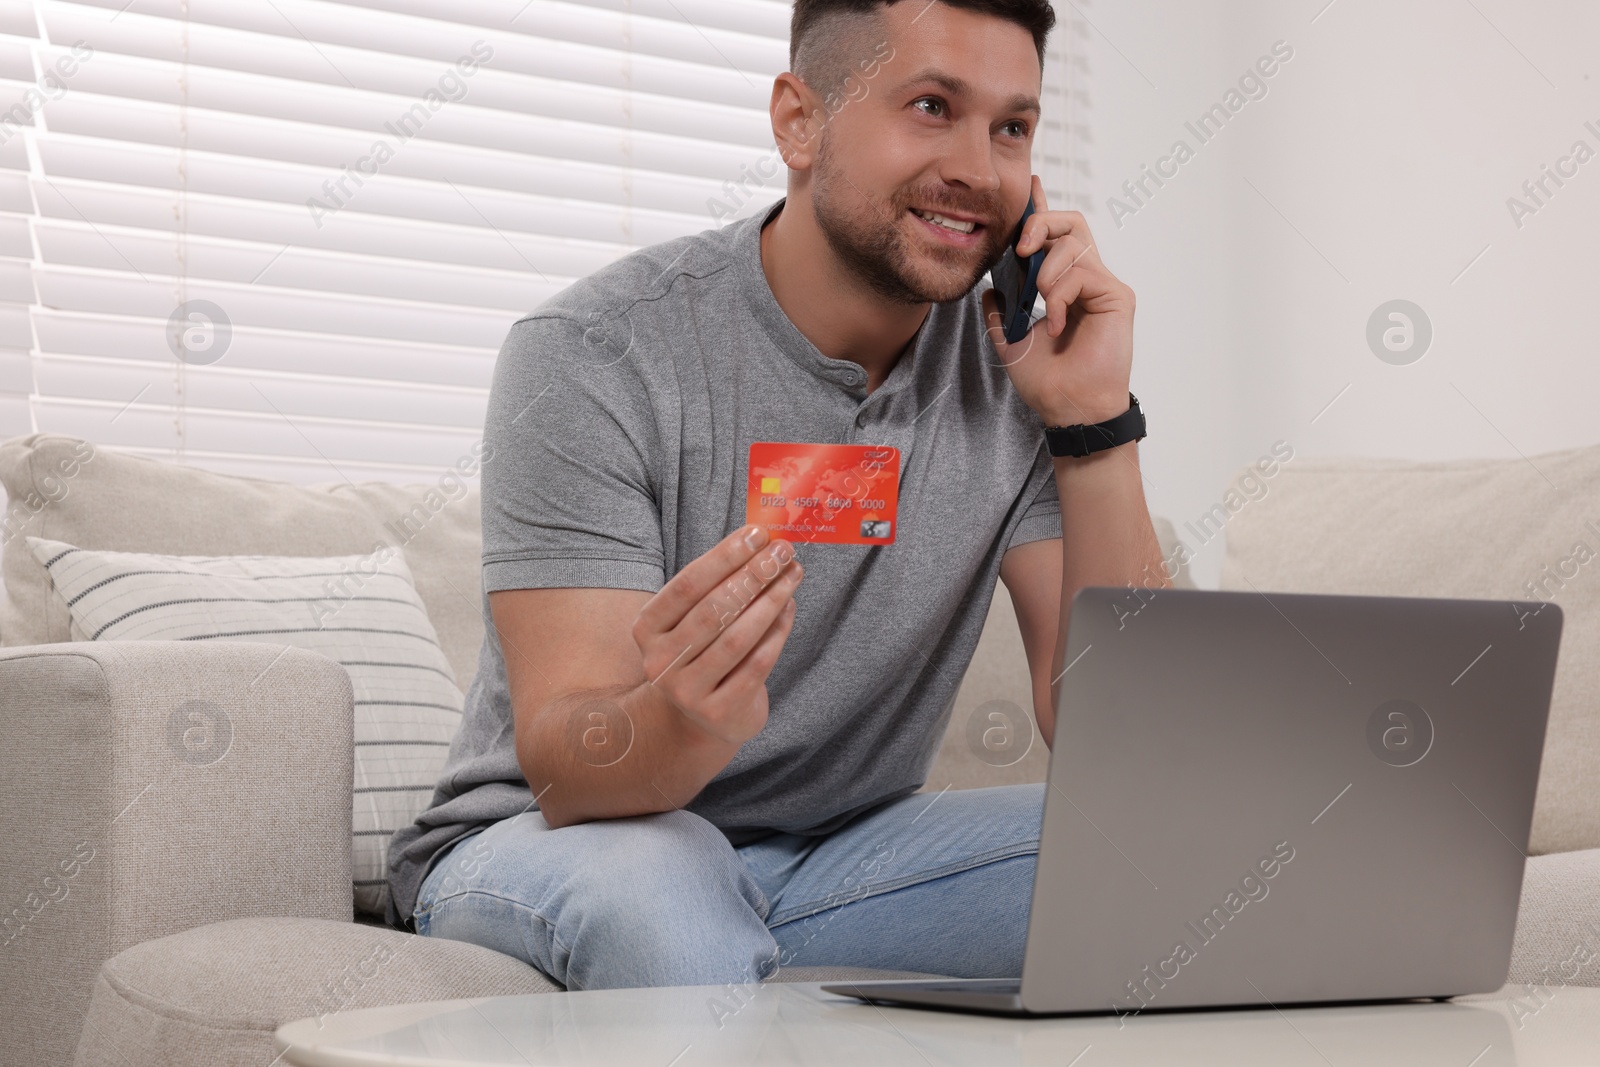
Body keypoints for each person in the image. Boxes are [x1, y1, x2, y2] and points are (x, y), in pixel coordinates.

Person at [385, 0, 1171, 990]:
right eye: (932, 106)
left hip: (838, 856)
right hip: (564, 838)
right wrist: (684, 719)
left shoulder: (1015, 368)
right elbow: (562, 758)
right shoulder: (590, 353)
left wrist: (1094, 425)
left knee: (1178, 857)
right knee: (661, 886)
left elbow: (1132, 741)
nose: (981, 167)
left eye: (1011, 126)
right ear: (798, 121)